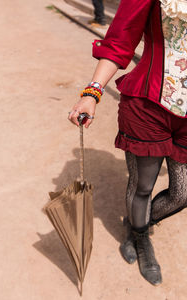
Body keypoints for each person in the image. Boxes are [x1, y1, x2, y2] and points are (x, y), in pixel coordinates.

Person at [68, 0, 187, 286]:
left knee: (181, 194)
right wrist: (92, 93)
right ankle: (140, 235)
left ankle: (138, 225)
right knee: (142, 188)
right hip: (148, 105)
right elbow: (121, 39)